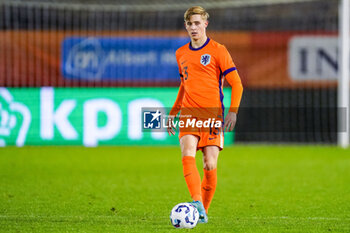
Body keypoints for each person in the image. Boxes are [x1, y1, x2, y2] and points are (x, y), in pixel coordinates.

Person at [167, 6, 243, 223]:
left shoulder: (219, 50)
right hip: (189, 113)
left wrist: (233, 112)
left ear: (205, 24)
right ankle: (197, 200)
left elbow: (237, 84)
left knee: (209, 163)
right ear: (185, 25)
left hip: (212, 115)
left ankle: (203, 211)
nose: (193, 27)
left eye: (197, 23)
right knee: (187, 152)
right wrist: (174, 112)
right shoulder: (180, 53)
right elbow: (184, 85)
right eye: (190, 24)